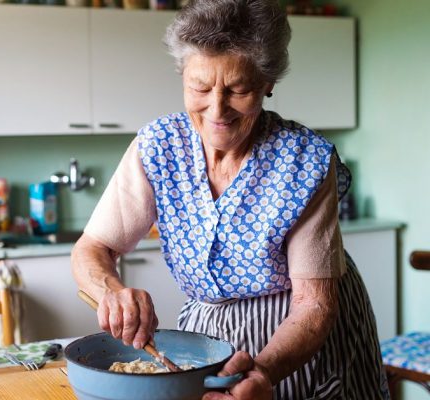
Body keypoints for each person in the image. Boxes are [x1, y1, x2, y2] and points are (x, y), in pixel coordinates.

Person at [71, 0, 389, 398]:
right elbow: (93, 247)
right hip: (209, 335)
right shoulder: (157, 146)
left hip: (302, 336)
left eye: (238, 89)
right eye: (200, 87)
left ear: (268, 82)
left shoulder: (304, 161)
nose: (216, 109)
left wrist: (265, 372)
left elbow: (314, 305)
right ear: (182, 77)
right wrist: (111, 292)